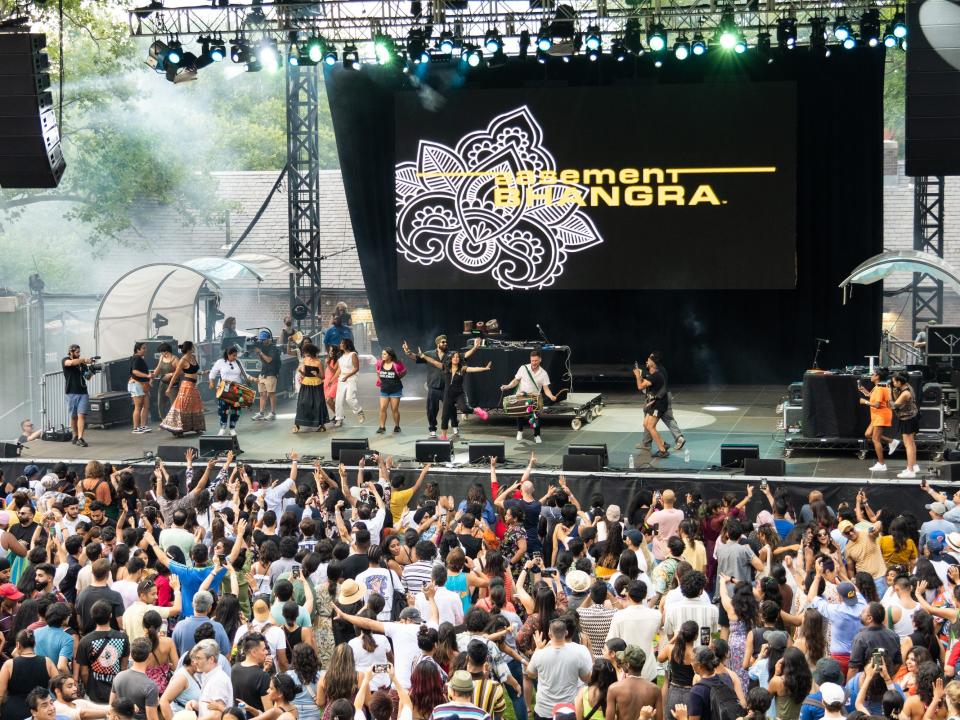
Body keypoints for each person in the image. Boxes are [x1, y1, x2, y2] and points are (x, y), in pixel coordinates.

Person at [403, 336, 480, 438]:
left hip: (447, 388)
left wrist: (475, 348)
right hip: (433, 387)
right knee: (431, 409)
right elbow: (417, 357)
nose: (445, 343)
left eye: (446, 342)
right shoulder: (429, 354)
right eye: (443, 342)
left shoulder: (451, 354)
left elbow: (464, 355)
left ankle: (455, 426)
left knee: (451, 409)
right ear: (437, 343)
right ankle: (432, 429)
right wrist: (408, 352)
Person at [417, 349, 492, 440]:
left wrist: (485, 368)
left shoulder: (462, 368)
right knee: (445, 416)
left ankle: (477, 410)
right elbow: (433, 362)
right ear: (451, 358)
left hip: (459, 393)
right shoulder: (445, 367)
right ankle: (443, 436)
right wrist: (423, 356)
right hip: (448, 395)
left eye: (457, 357)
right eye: (454, 357)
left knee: (464, 409)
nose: (456, 358)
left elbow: (473, 369)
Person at [526, 618, 592, 720]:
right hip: (567, 710)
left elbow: (530, 674)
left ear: (549, 634)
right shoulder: (577, 655)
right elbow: (587, 679)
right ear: (566, 633)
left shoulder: (539, 654)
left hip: (544, 710)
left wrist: (537, 650)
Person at [76, 600, 131, 704]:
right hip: (116, 692)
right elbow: (123, 667)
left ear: (92, 617)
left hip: (94, 693)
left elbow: (83, 673)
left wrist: (89, 688)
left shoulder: (85, 641)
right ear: (110, 615)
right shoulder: (123, 637)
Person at [499, 349, 559, 444]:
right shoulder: (523, 368)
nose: (534, 363)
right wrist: (507, 386)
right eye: (532, 361)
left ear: (540, 360)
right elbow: (516, 381)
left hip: (534, 398)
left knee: (536, 417)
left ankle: (537, 435)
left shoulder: (543, 373)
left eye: (536, 360)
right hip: (522, 395)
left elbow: (546, 389)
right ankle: (520, 431)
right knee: (519, 414)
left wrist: (551, 396)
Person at [0, 629, 58, 720]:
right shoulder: (47, 661)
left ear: (18, 645)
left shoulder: (9, 665)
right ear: (34, 644)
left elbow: (1, 694)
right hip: (39, 711)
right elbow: (58, 686)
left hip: (13, 711)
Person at [160, 341, 205, 436]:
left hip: (193, 385)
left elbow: (193, 371)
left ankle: (196, 427)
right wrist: (169, 388)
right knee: (183, 407)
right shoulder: (182, 360)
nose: (194, 348)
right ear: (189, 348)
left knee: (195, 406)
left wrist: (202, 373)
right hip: (187, 385)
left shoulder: (193, 357)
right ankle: (177, 428)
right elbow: (176, 375)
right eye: (193, 347)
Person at [605, 645, 661, 720]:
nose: (622, 663)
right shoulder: (655, 690)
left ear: (628, 664)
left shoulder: (614, 689)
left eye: (623, 661)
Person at [632, 352, 670, 458]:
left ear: (653, 363)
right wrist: (640, 376)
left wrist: (637, 375)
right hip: (653, 403)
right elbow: (646, 382)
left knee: (650, 426)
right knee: (646, 424)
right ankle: (664, 444)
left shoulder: (656, 376)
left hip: (659, 404)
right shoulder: (653, 374)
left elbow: (640, 387)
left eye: (648, 360)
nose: (646, 362)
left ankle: (662, 451)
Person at [209, 346, 251, 437]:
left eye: (236, 355)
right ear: (228, 354)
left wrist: (253, 379)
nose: (235, 357)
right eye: (233, 355)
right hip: (224, 389)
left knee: (236, 410)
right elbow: (212, 372)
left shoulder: (238, 362)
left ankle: (232, 428)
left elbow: (244, 374)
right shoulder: (220, 362)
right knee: (223, 409)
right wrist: (211, 382)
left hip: (236, 389)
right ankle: (222, 428)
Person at [858, 368, 894, 472]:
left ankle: (882, 464)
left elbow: (877, 405)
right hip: (878, 415)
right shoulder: (879, 387)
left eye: (873, 374)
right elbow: (872, 396)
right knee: (868, 434)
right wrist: (864, 391)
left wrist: (865, 402)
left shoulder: (879, 388)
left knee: (875, 439)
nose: (871, 376)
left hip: (881, 415)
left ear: (877, 376)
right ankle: (891, 442)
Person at [891, 372, 921, 479]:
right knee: (911, 443)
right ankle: (913, 465)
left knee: (908, 444)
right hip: (911, 418)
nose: (892, 383)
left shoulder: (905, 393)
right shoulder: (907, 387)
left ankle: (910, 470)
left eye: (894, 381)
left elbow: (894, 405)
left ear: (899, 382)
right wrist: (894, 391)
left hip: (908, 419)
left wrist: (887, 396)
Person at [62, 344, 93, 447]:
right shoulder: (65, 360)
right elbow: (70, 363)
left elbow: (87, 377)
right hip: (71, 392)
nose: (78, 354)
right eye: (77, 352)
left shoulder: (82, 364)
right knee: (74, 416)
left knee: (81, 415)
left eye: (79, 352)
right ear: (71, 352)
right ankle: (75, 435)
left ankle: (80, 437)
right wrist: (84, 360)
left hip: (83, 392)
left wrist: (91, 371)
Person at [294, 342, 328, 433]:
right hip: (306, 384)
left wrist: (317, 374)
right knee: (302, 403)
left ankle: (322, 425)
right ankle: (297, 424)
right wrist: (300, 372)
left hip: (316, 384)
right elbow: (304, 373)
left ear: (311, 352)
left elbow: (323, 376)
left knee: (318, 404)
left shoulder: (318, 362)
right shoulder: (305, 360)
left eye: (306, 352)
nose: (304, 354)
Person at [375, 347, 407, 434]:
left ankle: (397, 426)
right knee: (382, 408)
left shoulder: (397, 364)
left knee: (394, 409)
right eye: (382, 354)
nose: (382, 355)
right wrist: (381, 382)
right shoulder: (379, 363)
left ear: (390, 355)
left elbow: (404, 371)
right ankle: (382, 427)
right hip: (384, 390)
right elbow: (377, 372)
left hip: (395, 390)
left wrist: (399, 377)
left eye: (385, 354)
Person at [334, 338, 364, 427]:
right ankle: (339, 418)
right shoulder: (341, 356)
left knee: (349, 398)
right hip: (341, 378)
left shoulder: (353, 354)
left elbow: (356, 368)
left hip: (351, 378)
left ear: (347, 344)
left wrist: (347, 376)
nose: (340, 344)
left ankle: (359, 411)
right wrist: (332, 380)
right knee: (338, 400)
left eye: (342, 343)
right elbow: (339, 370)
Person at [252, 331, 281, 421]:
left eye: (263, 340)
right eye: (261, 340)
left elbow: (269, 360)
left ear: (268, 339)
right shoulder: (263, 347)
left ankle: (273, 413)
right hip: (263, 373)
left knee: (271, 393)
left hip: (271, 373)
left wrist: (260, 352)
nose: (262, 342)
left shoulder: (273, 348)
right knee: (262, 394)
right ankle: (261, 413)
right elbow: (262, 360)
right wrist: (258, 352)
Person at [129, 341, 153, 434]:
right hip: (137, 385)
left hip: (143, 385)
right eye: (143, 348)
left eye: (145, 348)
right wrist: (147, 376)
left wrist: (149, 377)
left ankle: (143, 426)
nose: (145, 350)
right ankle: (135, 428)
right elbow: (134, 371)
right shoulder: (136, 358)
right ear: (138, 349)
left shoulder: (139, 358)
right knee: (138, 406)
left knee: (146, 405)